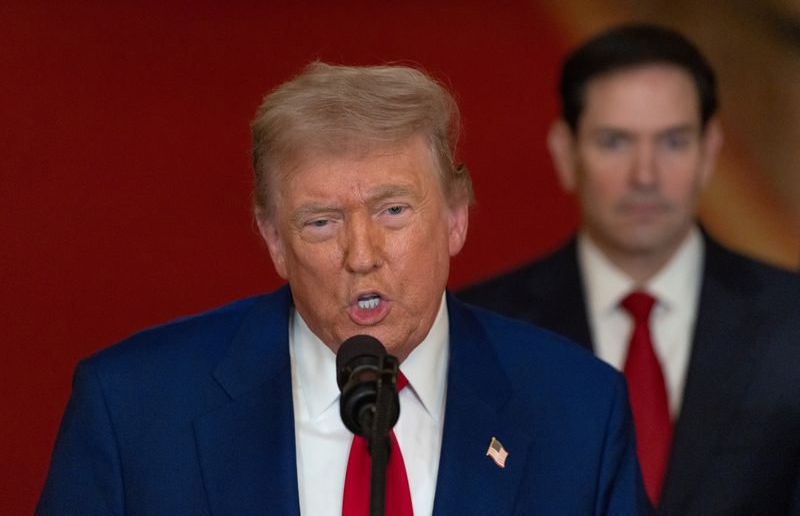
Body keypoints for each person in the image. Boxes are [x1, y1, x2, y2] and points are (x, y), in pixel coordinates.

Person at [37, 62, 650, 515]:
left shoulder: (577, 411)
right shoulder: (133, 413)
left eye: (393, 211)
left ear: (457, 217)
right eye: (322, 222)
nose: (362, 256)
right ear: (275, 240)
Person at [459, 24, 800, 515]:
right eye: (616, 142)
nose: (645, 175)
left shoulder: (790, 321)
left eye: (673, 142)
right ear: (566, 153)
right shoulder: (484, 329)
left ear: (709, 153)